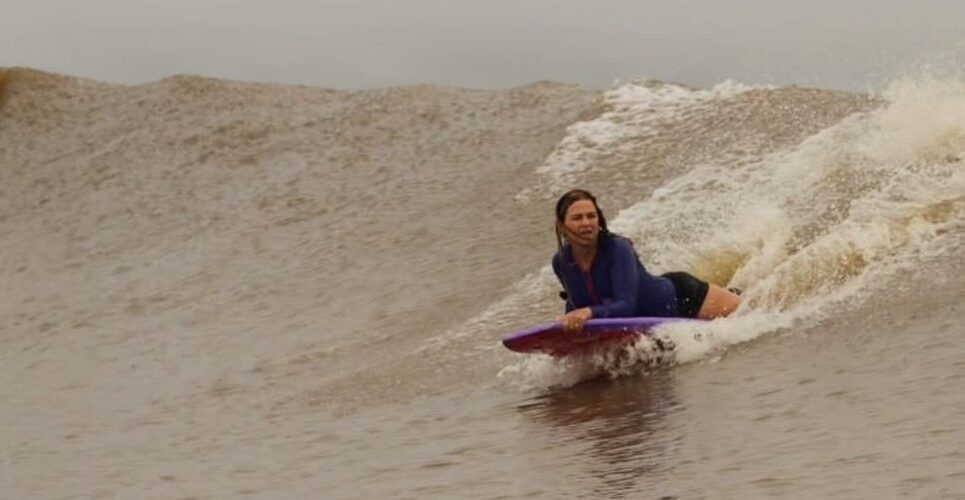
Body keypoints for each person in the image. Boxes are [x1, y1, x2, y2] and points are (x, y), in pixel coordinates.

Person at [552, 189, 741, 334]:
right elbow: (576, 302)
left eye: (591, 216)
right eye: (577, 218)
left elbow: (626, 306)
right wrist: (570, 320)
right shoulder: (561, 262)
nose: (586, 223)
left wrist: (588, 313)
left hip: (682, 299)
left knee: (752, 312)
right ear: (561, 226)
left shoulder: (618, 248)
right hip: (649, 311)